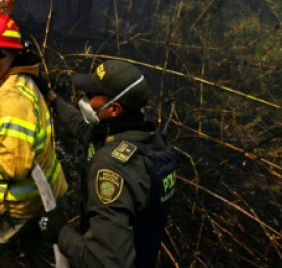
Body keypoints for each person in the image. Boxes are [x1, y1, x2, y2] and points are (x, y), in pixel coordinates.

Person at [38, 60, 177, 268]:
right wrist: (51, 96)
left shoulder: (111, 167)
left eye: (92, 96)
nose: (84, 99)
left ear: (114, 109)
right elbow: (85, 132)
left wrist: (60, 232)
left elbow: (104, 262)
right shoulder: (149, 140)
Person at [0, 13, 67, 268]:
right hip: (42, 201)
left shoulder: (12, 97)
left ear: (15, 54)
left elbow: (14, 166)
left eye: (0, 53)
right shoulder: (20, 79)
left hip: (14, 208)